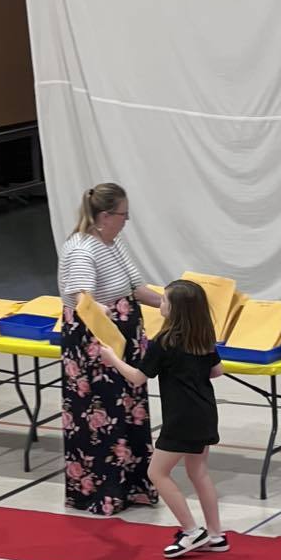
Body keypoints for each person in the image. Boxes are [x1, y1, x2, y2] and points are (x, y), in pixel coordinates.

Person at [100, 279, 228, 558]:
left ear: (177, 310)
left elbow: (137, 377)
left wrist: (113, 359)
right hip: (205, 412)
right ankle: (216, 534)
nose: (161, 303)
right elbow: (217, 371)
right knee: (199, 472)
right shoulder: (203, 337)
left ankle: (192, 531)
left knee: (156, 473)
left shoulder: (164, 342)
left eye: (166, 300)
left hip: (181, 417)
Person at [58, 182, 162, 515]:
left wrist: (173, 302)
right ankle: (103, 491)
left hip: (122, 343)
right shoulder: (82, 249)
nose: (126, 220)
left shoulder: (111, 243)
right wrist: (102, 311)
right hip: (98, 349)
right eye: (123, 214)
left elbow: (136, 288)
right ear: (105, 216)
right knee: (102, 418)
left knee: (129, 411)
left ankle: (133, 486)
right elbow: (81, 297)